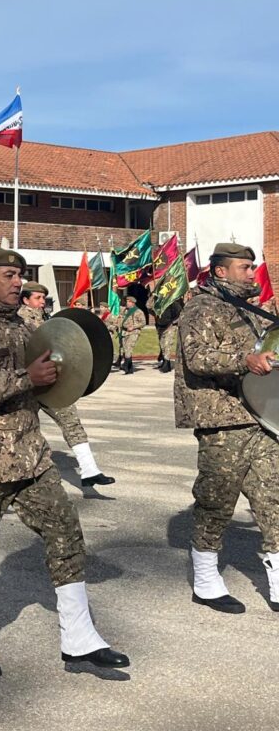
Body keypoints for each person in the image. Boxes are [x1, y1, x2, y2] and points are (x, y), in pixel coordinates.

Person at [0, 248, 127, 678]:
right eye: (9, 274)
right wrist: (27, 378)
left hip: (29, 454)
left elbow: (52, 375)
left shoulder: (25, 327)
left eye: (21, 274)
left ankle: (79, 638)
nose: (18, 281)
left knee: (65, 532)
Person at [175, 242, 279, 614]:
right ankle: (205, 579)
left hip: (261, 415)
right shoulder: (201, 307)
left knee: (273, 497)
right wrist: (245, 359)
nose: (252, 273)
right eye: (244, 267)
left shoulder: (259, 308)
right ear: (220, 271)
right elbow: (198, 358)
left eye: (253, 267)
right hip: (222, 418)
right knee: (217, 500)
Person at [18, 282, 114, 488]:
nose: (42, 302)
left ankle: (89, 469)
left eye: (44, 298)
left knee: (70, 420)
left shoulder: (46, 319)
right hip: (27, 383)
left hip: (50, 382)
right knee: (21, 427)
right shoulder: (21, 321)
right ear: (25, 300)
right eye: (37, 298)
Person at [119, 294, 146, 374]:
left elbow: (143, 323)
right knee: (125, 349)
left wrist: (134, 327)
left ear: (133, 303)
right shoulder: (124, 310)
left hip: (133, 332)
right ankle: (130, 368)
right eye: (127, 301)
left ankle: (126, 367)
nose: (127, 303)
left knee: (128, 349)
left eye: (129, 302)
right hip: (124, 332)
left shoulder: (138, 312)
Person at [155, 298, 183, 374]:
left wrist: (173, 323)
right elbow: (149, 306)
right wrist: (152, 295)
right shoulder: (158, 304)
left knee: (167, 344)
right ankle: (164, 361)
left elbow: (180, 314)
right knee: (162, 345)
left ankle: (167, 365)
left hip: (170, 327)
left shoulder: (173, 304)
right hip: (161, 326)